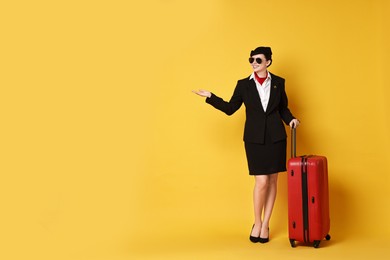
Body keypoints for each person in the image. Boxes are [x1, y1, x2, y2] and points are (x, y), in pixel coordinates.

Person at [193, 46, 300, 243]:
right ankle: (257, 222)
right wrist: (211, 97)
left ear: (267, 62)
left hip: (276, 138)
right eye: (251, 59)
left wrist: (291, 119)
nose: (253, 63)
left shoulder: (278, 83)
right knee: (261, 182)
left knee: (273, 181)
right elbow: (230, 108)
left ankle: (266, 224)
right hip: (254, 139)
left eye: (258, 60)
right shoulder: (243, 85)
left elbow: (283, 108)